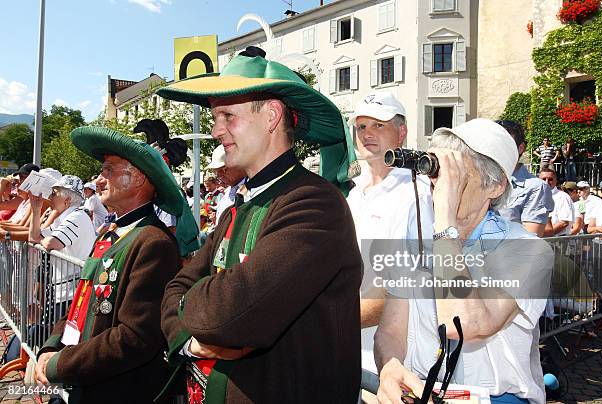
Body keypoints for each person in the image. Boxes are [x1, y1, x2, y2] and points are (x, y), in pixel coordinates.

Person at [157, 46, 362, 403]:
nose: (217, 130)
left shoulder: (314, 204)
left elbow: (229, 315)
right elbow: (175, 286)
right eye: (213, 117)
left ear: (271, 116)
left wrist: (195, 305)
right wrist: (192, 340)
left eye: (227, 116)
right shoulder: (239, 205)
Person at [375, 119, 553, 404]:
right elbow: (390, 330)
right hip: (424, 391)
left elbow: (464, 324)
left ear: (494, 185)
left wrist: (446, 220)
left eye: (456, 177)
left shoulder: (528, 251)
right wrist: (390, 366)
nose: (440, 185)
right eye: (438, 175)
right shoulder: (416, 236)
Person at [33, 126, 200, 403]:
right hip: (84, 379)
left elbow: (134, 337)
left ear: (137, 179)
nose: (99, 180)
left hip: (114, 390)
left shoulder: (153, 243)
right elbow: (81, 303)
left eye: (108, 170)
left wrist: (60, 364)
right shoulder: (110, 234)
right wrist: (52, 345)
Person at [346, 91, 433, 378]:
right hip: (349, 348)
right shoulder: (352, 194)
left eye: (378, 125)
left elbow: (410, 283)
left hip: (394, 359)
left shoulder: (417, 194)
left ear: (402, 133)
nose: (367, 134)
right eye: (361, 127)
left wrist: (332, 320)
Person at [496, 120, 553, 237]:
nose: (497, 150)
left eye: (505, 145)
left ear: (520, 148)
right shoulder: (478, 180)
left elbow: (528, 241)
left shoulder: (535, 187)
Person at [206, 144, 247, 225]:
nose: (219, 176)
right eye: (216, 172)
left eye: (223, 170)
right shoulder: (227, 193)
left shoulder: (251, 189)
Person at [539, 168, 574, 236]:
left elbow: (564, 223)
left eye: (550, 179)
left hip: (558, 240)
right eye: (543, 179)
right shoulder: (535, 196)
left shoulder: (563, 197)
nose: (546, 182)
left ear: (555, 181)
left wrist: (545, 235)